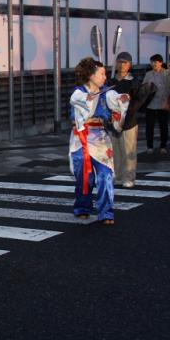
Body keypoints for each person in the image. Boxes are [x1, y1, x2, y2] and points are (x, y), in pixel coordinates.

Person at [69, 57, 129, 225]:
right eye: (101, 74)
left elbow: (117, 101)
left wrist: (122, 101)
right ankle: (83, 207)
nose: (105, 77)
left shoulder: (107, 93)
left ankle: (106, 211)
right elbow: (78, 100)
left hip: (100, 138)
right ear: (91, 75)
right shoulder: (78, 92)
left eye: (105, 74)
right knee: (84, 177)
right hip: (80, 138)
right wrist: (94, 96)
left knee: (106, 175)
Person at [108, 52, 141, 188]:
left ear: (130, 65)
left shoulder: (133, 82)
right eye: (119, 62)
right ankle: (117, 175)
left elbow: (138, 100)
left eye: (125, 62)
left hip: (129, 121)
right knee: (114, 151)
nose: (121, 65)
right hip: (112, 121)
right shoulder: (110, 82)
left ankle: (129, 177)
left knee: (129, 150)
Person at [142, 54, 170, 154]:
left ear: (160, 62)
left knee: (163, 125)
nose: (153, 64)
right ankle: (149, 146)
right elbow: (144, 87)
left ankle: (163, 146)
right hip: (150, 103)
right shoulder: (148, 74)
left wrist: (168, 101)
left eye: (155, 62)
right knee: (149, 126)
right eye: (152, 62)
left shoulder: (167, 73)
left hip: (163, 103)